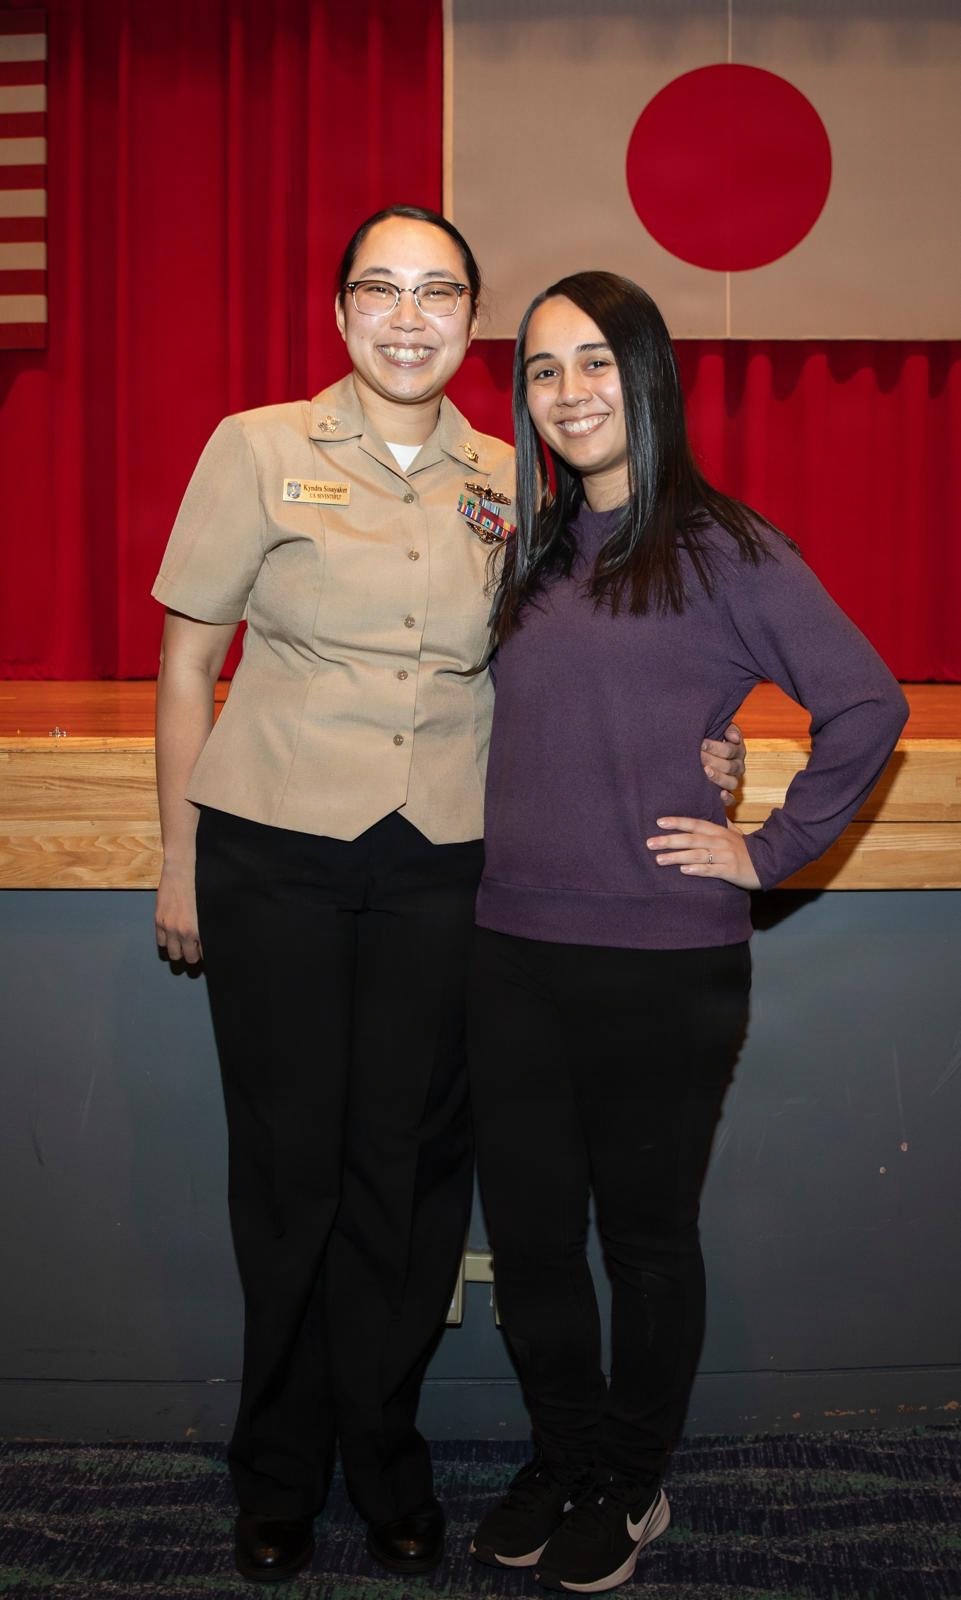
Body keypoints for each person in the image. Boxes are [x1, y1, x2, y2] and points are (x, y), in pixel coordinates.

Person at [151, 210, 744, 1585]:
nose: (408, 316)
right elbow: (188, 666)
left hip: (444, 868)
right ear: (341, 309)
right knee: (291, 1176)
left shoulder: (515, 477)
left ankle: (388, 1462)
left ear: (471, 318)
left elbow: (594, 648)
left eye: (439, 294)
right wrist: (175, 854)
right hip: (274, 855)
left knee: (412, 1184)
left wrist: (710, 744)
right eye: (381, 289)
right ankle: (279, 1477)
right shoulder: (256, 447)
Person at [467, 271, 908, 1593]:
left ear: (647, 373)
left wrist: (762, 847)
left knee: (643, 1242)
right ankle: (561, 1453)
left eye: (593, 362)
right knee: (534, 1243)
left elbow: (865, 705)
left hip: (662, 960)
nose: (568, 392)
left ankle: (630, 1480)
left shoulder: (721, 544)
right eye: (543, 371)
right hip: (509, 949)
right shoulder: (537, 548)